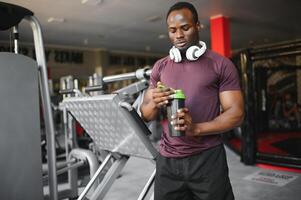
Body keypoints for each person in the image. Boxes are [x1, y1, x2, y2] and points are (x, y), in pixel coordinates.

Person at [140, 2, 244, 200]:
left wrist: (196, 129)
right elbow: (146, 115)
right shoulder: (160, 67)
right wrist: (152, 101)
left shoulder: (220, 64)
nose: (178, 35)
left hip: (207, 159)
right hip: (167, 161)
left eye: (185, 28)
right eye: (172, 30)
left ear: (198, 26)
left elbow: (236, 113)